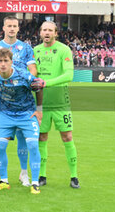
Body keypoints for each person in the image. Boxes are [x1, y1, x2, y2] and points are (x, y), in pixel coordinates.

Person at [0, 48, 44, 194]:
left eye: (6, 61)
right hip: (6, 115)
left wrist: (39, 110)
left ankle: (34, 183)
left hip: (26, 115)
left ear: (11, 62)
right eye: (0, 61)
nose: (2, 64)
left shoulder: (23, 75)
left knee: (32, 145)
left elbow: (39, 86)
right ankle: (4, 181)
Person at [0, 16, 38, 187]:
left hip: (22, 98)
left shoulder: (26, 48)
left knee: (24, 136)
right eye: (9, 26)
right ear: (4, 27)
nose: (12, 29)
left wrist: (21, 78)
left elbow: (33, 70)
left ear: (18, 28)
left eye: (15, 26)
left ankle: (24, 173)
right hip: (0, 98)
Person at [34, 21, 80, 188]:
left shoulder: (63, 50)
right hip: (41, 104)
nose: (47, 32)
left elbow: (69, 75)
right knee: (41, 137)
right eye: (44, 30)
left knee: (67, 137)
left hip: (61, 104)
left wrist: (47, 82)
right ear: (40, 33)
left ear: (55, 33)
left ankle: (74, 176)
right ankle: (42, 175)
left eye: (50, 30)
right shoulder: (35, 50)